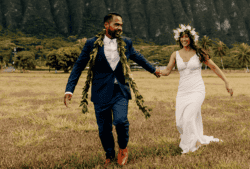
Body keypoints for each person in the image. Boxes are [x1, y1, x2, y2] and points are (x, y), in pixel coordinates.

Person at [63, 13, 161, 168]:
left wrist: (154, 70)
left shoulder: (126, 42)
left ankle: (123, 148)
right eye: (116, 24)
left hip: (120, 90)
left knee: (121, 121)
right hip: (100, 91)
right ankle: (109, 154)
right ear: (106, 25)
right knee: (104, 129)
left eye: (121, 25)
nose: (120, 28)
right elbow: (78, 66)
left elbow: (138, 57)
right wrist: (69, 90)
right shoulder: (92, 43)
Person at [160, 24, 233, 154]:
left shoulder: (199, 53)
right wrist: (156, 71)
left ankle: (191, 145)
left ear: (191, 39)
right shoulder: (175, 54)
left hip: (197, 90)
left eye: (186, 37)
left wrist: (226, 82)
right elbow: (167, 70)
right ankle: (195, 139)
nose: (184, 40)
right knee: (180, 122)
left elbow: (214, 67)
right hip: (182, 91)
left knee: (188, 117)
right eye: (182, 38)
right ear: (179, 39)